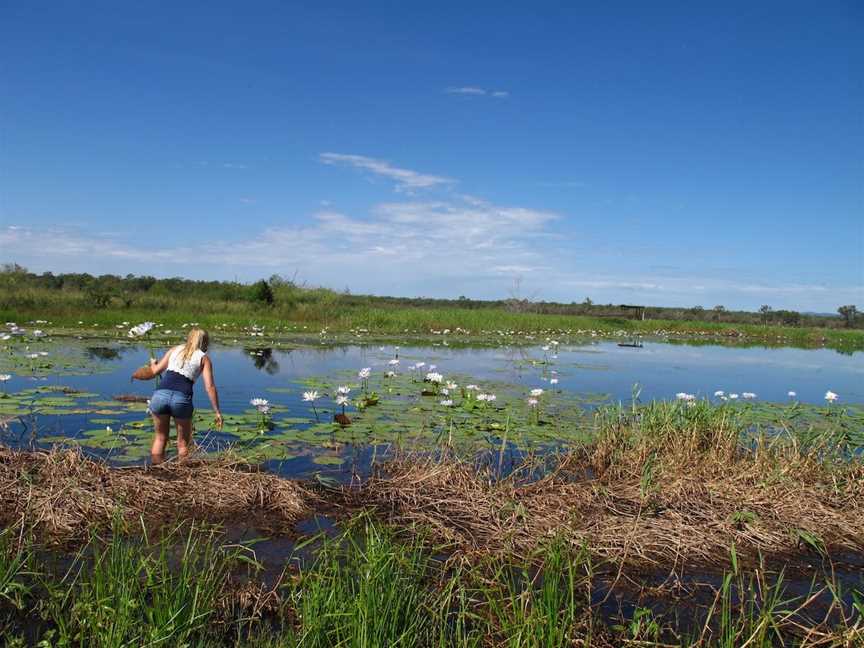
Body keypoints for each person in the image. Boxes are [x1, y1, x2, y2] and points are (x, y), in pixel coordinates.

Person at [145, 328, 223, 462]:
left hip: (159, 396)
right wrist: (217, 411)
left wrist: (153, 364)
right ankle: (183, 475)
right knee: (183, 444)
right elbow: (209, 387)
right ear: (205, 342)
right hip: (181, 399)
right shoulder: (204, 359)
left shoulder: (174, 350)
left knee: (160, 438)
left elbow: (155, 371)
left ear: (189, 338)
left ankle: (156, 471)